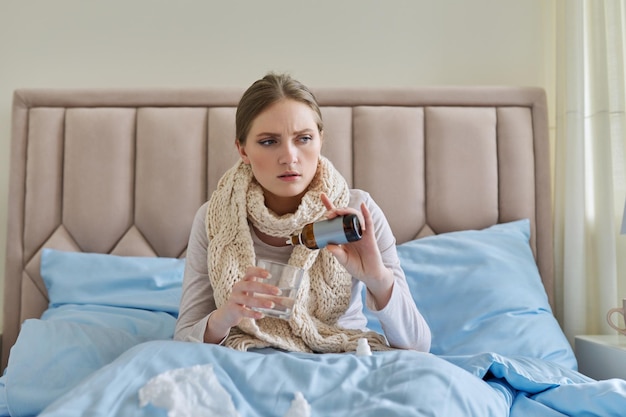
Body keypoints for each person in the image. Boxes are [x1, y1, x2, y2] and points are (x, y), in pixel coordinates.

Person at [174, 73, 431, 353]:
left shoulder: (357, 214)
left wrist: (378, 280)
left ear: (320, 140)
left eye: (304, 138)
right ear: (242, 150)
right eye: (269, 142)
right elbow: (184, 336)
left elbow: (418, 346)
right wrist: (225, 316)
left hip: (343, 361)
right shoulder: (213, 219)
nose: (289, 157)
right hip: (246, 362)